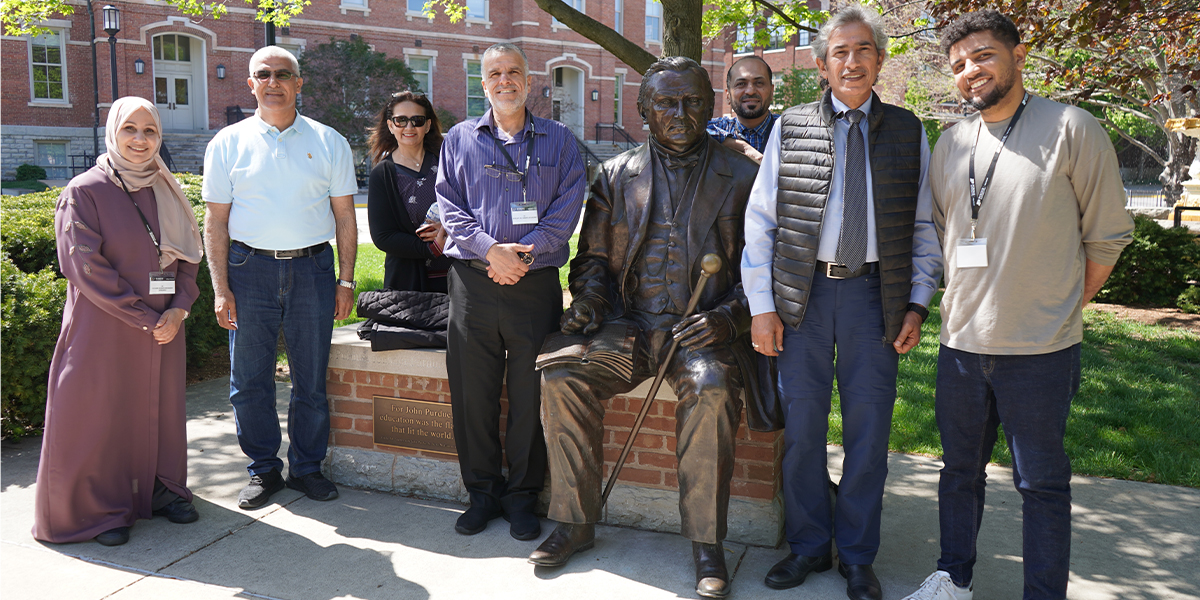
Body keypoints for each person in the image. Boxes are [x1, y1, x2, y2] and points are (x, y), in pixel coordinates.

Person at [900, 11, 1134, 600]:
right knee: (957, 476)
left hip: (1041, 351)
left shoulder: (1073, 129)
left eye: (981, 56)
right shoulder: (950, 144)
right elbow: (938, 234)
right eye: (957, 65)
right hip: (960, 346)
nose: (969, 72)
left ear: (1018, 55)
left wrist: (1061, 306)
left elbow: (1105, 238)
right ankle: (953, 580)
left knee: (1042, 485)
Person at [528, 56, 763, 600]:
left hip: (700, 331)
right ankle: (575, 522)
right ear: (642, 109)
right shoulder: (615, 174)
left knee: (711, 388)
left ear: (711, 105)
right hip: (631, 324)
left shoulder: (744, 177)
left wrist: (729, 316)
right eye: (665, 102)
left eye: (692, 102)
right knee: (564, 378)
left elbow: (768, 269)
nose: (679, 114)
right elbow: (591, 261)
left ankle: (707, 543)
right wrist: (588, 301)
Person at [740, 5, 932, 600]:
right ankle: (806, 546)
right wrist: (761, 305)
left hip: (877, 297)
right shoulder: (790, 127)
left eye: (864, 50)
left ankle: (856, 555)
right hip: (805, 298)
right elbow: (762, 221)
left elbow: (925, 226)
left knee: (869, 435)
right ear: (822, 65)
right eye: (840, 52)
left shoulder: (908, 130)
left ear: (879, 60)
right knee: (801, 431)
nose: (852, 61)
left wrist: (918, 303)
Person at [33, 97, 204, 547]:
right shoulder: (85, 191)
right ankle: (100, 508)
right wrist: (144, 316)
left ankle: (159, 488)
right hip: (106, 327)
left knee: (158, 409)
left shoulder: (165, 186)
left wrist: (179, 307)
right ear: (112, 132)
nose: (140, 140)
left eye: (150, 131)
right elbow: (84, 266)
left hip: (166, 325)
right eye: (130, 129)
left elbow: (188, 257)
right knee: (101, 412)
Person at [434, 42, 587, 541]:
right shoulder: (458, 138)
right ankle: (481, 493)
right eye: (495, 73)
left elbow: (567, 207)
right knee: (472, 395)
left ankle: (522, 497)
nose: (505, 80)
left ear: (529, 78)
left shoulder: (561, 141)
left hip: (534, 285)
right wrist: (488, 250)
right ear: (484, 84)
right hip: (473, 284)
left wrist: (520, 255)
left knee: (529, 396)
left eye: (514, 71)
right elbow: (448, 205)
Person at [202, 46, 359, 511]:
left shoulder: (329, 141)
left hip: (312, 269)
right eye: (263, 74)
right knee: (249, 379)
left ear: (298, 83)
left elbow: (346, 219)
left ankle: (307, 468)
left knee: (311, 378)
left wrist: (346, 281)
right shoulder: (226, 144)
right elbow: (215, 223)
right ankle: (264, 469)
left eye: (283, 74)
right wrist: (220, 287)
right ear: (250, 84)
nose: (274, 82)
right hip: (249, 272)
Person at [366, 91, 452, 293]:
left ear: (428, 125)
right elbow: (383, 236)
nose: (409, 127)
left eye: (417, 120)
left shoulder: (448, 163)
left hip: (457, 278)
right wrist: (431, 249)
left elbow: (472, 208)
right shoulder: (382, 174)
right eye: (401, 120)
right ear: (390, 125)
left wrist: (448, 229)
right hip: (408, 285)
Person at [706, 55, 778, 163]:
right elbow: (688, 129)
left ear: (772, 91)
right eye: (741, 84)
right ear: (728, 95)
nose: (750, 91)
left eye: (759, 83)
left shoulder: (787, 130)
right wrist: (742, 147)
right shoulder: (720, 127)